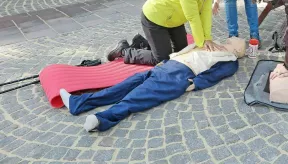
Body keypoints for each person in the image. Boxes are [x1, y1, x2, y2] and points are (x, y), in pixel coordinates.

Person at [59, 37, 246, 132]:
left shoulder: (230, 60)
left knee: (139, 97)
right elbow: (186, 52)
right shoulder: (212, 45)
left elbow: (216, 75)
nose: (227, 41)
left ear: (237, 51)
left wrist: (195, 83)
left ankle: (102, 119)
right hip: (169, 66)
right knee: (124, 86)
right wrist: (164, 63)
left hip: (180, 75)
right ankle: (80, 103)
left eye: (231, 42)